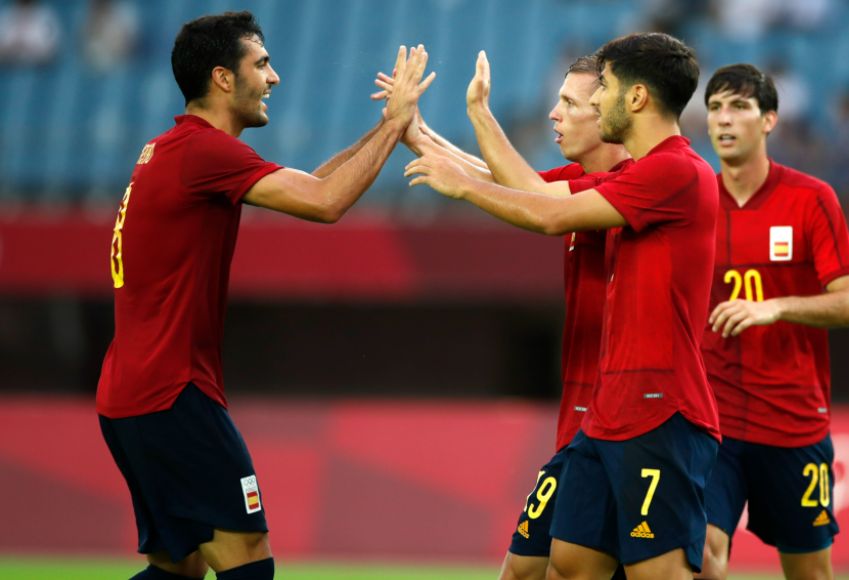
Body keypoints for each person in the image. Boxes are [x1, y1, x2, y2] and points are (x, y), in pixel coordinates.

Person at [96, 11, 433, 580]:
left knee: (180, 570)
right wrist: (396, 123)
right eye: (262, 63)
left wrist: (386, 130)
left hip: (131, 397)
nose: (274, 77)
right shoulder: (204, 153)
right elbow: (326, 202)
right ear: (224, 78)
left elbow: (310, 186)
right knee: (248, 562)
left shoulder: (173, 150)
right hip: (174, 392)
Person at [407, 32, 720, 580]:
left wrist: (462, 186)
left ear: (638, 97)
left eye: (605, 90)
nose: (597, 102)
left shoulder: (677, 171)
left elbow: (546, 214)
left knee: (661, 574)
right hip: (606, 414)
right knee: (566, 568)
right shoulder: (635, 176)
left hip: (659, 410)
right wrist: (413, 132)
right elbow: (533, 194)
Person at [375, 54, 632, 580]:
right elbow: (501, 178)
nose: (553, 115)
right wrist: (410, 129)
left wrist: (478, 111)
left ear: (607, 113)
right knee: (524, 572)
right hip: (581, 421)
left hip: (626, 423)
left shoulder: (633, 184)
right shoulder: (577, 181)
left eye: (567, 103)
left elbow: (531, 201)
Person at [697, 63, 849, 580]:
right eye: (714, 108)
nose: (724, 120)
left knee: (810, 574)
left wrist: (776, 306)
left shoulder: (811, 199)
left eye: (739, 107)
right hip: (713, 424)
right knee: (702, 559)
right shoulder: (692, 202)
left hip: (792, 421)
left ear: (769, 120)